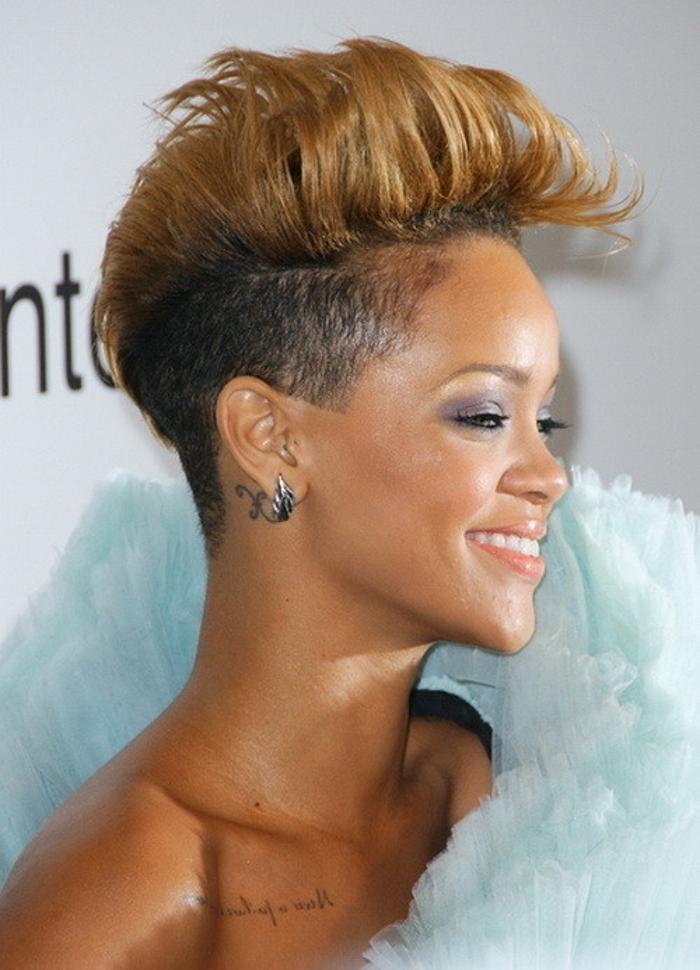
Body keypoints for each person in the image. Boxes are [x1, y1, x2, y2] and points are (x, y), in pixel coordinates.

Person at [1, 36, 698, 970]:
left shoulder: (515, 792)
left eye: (546, 421)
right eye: (484, 416)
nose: (549, 475)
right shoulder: (113, 912)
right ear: (270, 437)